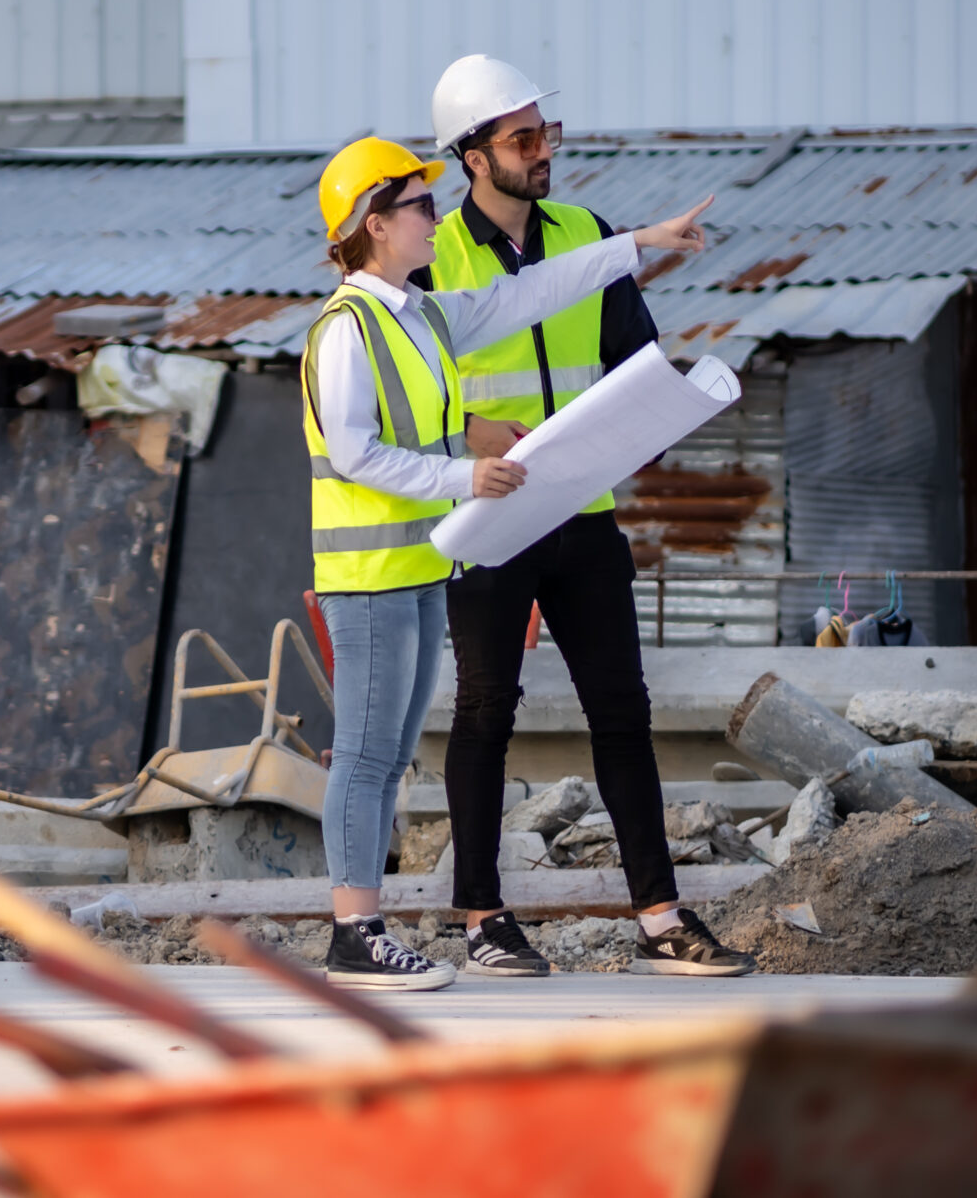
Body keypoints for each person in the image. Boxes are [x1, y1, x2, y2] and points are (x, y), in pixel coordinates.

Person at [302, 134, 712, 989]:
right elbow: (352, 453)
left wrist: (639, 242)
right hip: (369, 575)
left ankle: (364, 926)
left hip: (418, 565)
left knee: (387, 752)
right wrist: (467, 474)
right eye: (416, 204)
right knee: (365, 756)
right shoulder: (347, 330)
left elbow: (535, 289)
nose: (431, 215)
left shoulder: (415, 316)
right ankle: (354, 931)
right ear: (375, 225)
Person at [420, 53, 757, 979]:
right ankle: (483, 915)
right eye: (522, 138)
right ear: (472, 157)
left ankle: (661, 918)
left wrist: (652, 413)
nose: (543, 152)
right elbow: (401, 397)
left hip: (585, 508)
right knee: (486, 710)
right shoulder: (433, 259)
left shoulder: (586, 232)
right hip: (491, 514)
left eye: (546, 132)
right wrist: (469, 429)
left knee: (623, 711)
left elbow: (631, 359)